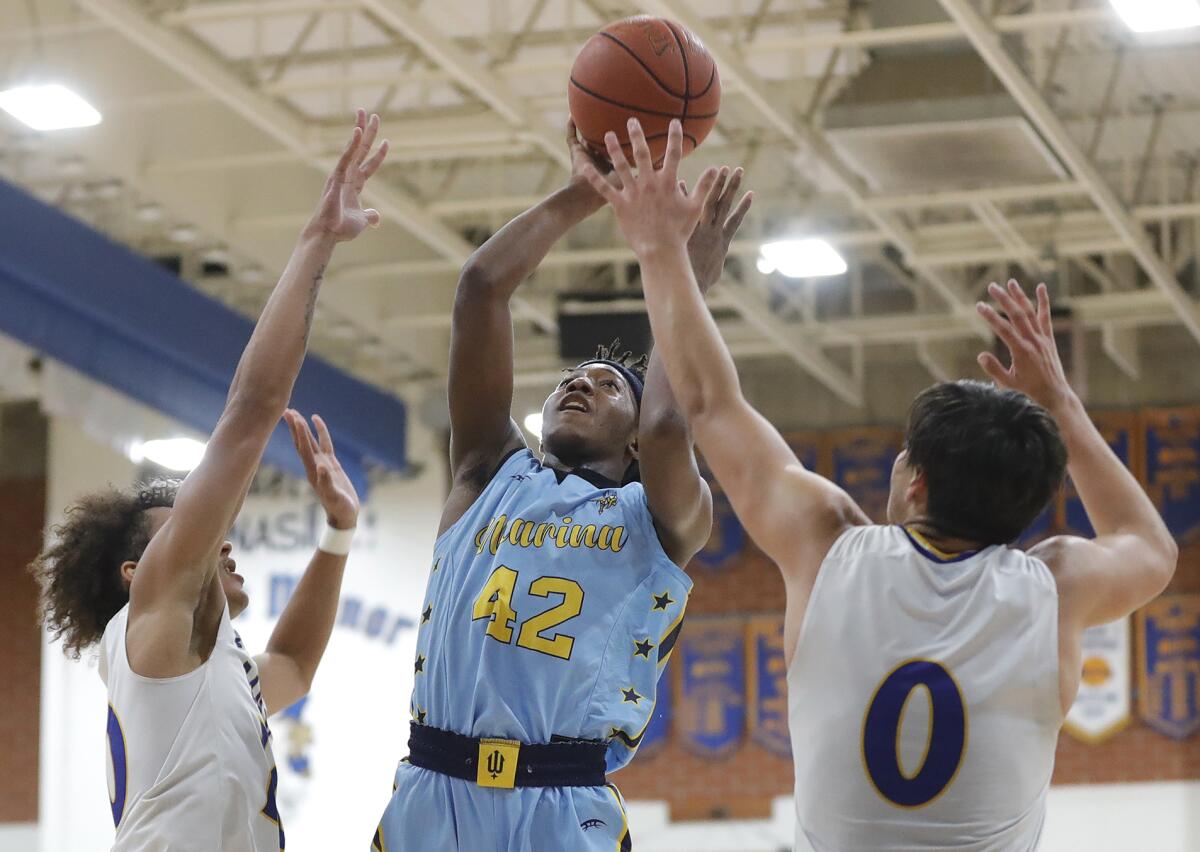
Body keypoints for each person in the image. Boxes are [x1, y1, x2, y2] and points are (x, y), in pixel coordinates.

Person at [581, 117, 1178, 851]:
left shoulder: (827, 543)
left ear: (918, 487)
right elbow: (1149, 545)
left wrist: (657, 249)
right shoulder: (1054, 585)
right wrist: (1061, 405)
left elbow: (706, 401)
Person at [371, 122, 750, 852]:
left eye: (610, 386)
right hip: (432, 786)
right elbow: (481, 288)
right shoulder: (488, 472)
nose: (581, 382)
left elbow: (674, 426)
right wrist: (585, 192)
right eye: (572, 379)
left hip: (559, 800)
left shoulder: (661, 518)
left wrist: (678, 271)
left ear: (634, 437)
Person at [29, 110, 388, 851]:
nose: (218, 538)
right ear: (138, 572)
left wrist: (339, 532)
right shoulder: (152, 622)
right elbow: (253, 410)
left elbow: (292, 665)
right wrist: (314, 244)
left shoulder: (201, 664)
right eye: (190, 529)